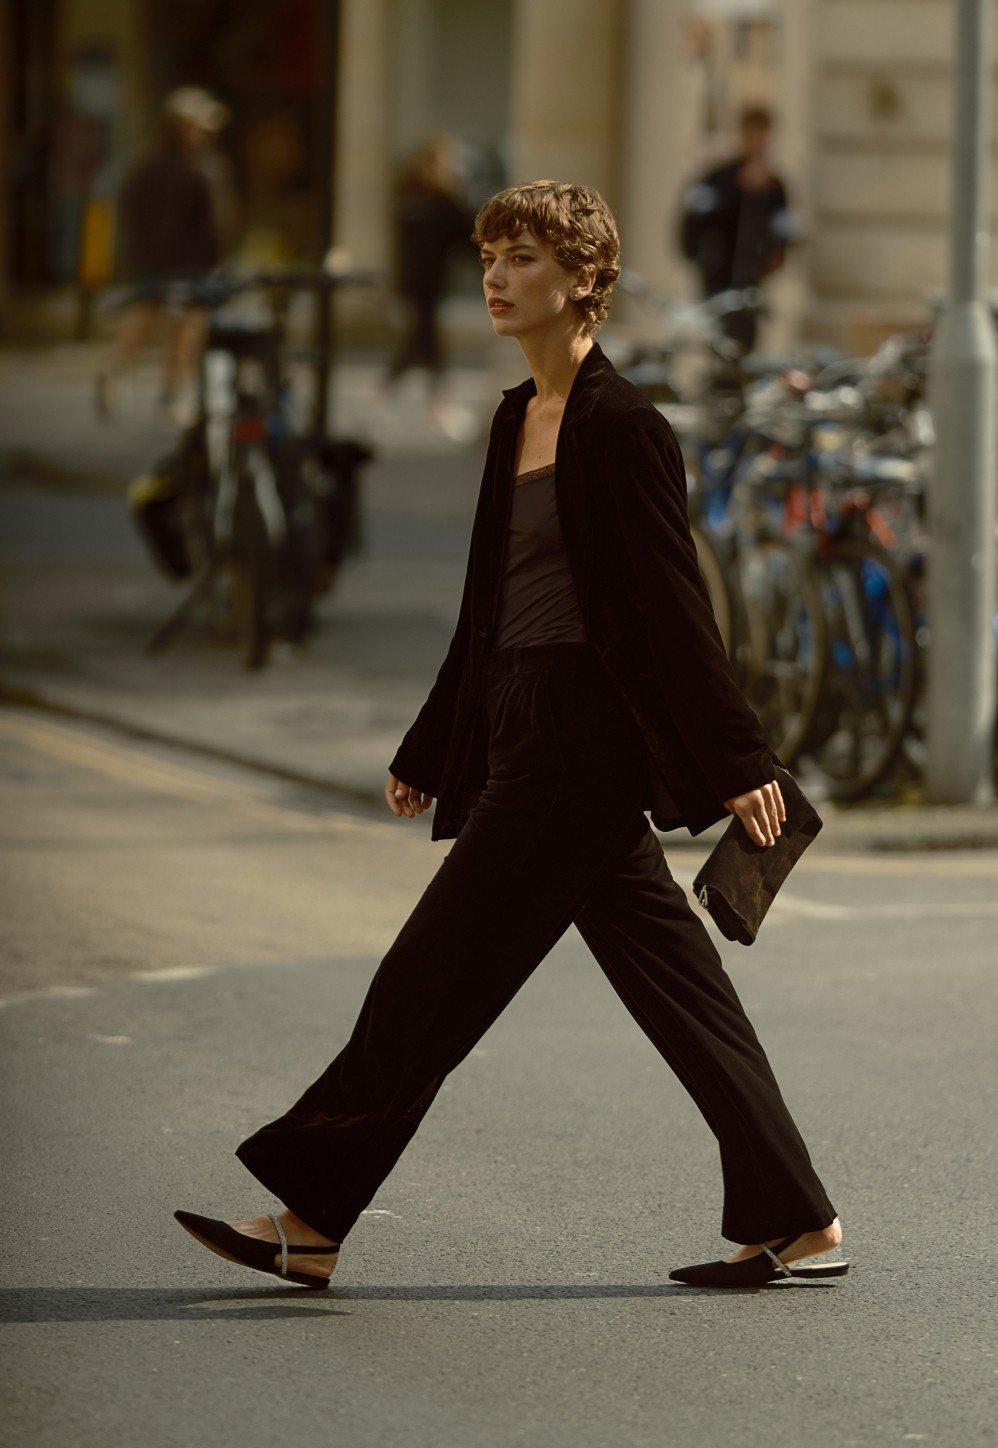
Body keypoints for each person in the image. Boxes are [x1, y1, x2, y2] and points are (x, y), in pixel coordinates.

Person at [175, 181, 847, 1292]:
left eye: (523, 257)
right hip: (522, 726)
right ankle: (796, 1216)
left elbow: (673, 612)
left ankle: (310, 1213)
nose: (495, 275)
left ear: (583, 281)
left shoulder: (624, 427)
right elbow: (487, 606)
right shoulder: (512, 417)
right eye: (489, 254)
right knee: (679, 991)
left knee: (426, 978)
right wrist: (431, 742)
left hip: (578, 745)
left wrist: (738, 761)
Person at [96, 87, 235, 422]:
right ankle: (144, 384)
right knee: (175, 326)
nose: (204, 133)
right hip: (180, 264)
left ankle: (156, 388)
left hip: (178, 263)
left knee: (171, 325)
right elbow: (215, 220)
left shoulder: (179, 166)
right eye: (197, 126)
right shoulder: (190, 169)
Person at [381, 134, 477, 437]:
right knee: (424, 338)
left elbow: (466, 238)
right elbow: (466, 237)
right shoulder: (425, 199)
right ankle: (437, 400)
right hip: (422, 281)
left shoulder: (424, 199)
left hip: (427, 281)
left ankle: (397, 391)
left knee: (421, 338)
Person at [678, 104, 794, 355]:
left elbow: (784, 229)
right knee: (716, 340)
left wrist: (774, 256)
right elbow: (695, 220)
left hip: (751, 280)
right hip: (718, 274)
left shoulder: (774, 186)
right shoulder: (719, 178)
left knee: (746, 341)